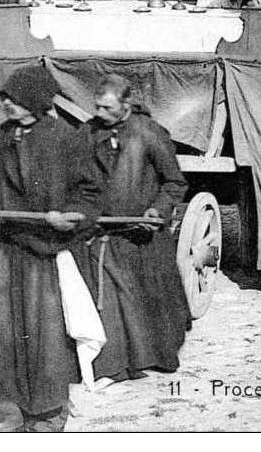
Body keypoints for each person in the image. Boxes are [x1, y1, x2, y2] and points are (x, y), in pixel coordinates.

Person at [0, 65, 101, 432]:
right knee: (9, 338)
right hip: (6, 249)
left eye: (13, 97)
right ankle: (28, 414)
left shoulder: (66, 137)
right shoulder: (0, 137)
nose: (6, 103)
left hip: (47, 254)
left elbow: (90, 194)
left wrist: (72, 216)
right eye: (5, 97)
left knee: (47, 341)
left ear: (34, 100)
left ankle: (50, 416)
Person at [74, 74, 190, 384]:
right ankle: (117, 366)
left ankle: (154, 356)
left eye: (106, 108)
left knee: (150, 301)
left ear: (126, 105)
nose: (99, 113)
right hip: (104, 235)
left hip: (143, 237)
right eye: (96, 106)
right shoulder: (88, 133)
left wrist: (158, 210)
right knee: (112, 305)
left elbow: (174, 182)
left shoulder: (149, 133)